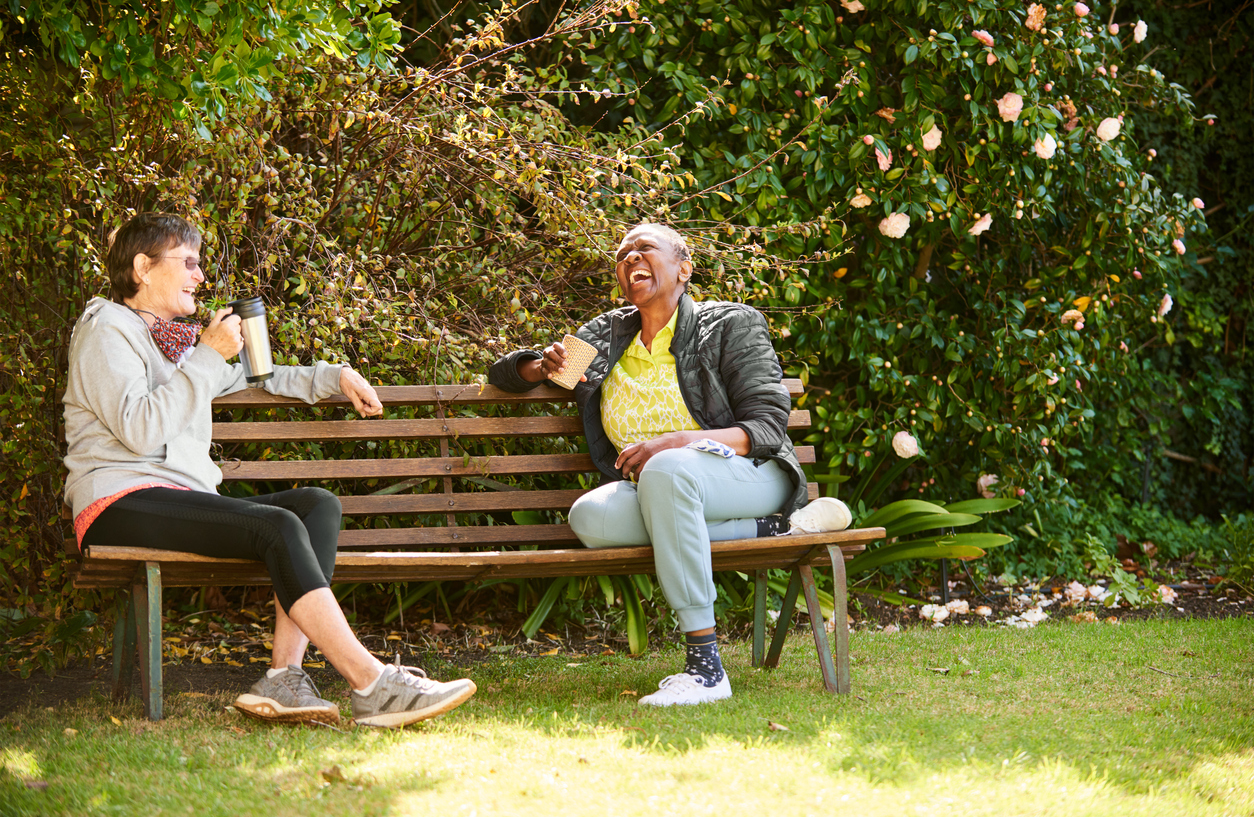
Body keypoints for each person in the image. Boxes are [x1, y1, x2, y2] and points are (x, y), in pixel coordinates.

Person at [64, 212, 476, 728]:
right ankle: (371, 683)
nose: (199, 275)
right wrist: (207, 356)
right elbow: (142, 429)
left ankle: (284, 677)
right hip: (117, 502)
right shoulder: (107, 330)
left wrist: (333, 375)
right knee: (276, 525)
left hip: (175, 497)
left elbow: (259, 378)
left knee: (315, 506)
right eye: (188, 262)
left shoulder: (172, 342)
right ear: (143, 267)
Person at [489, 223, 848, 706]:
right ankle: (774, 530)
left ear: (684, 267)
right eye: (622, 255)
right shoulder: (605, 335)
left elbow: (767, 426)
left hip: (745, 473)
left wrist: (678, 442)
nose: (631, 258)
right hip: (656, 488)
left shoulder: (730, 324)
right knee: (589, 517)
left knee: (667, 468)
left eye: (644, 249)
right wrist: (538, 367)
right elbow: (506, 375)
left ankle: (705, 667)